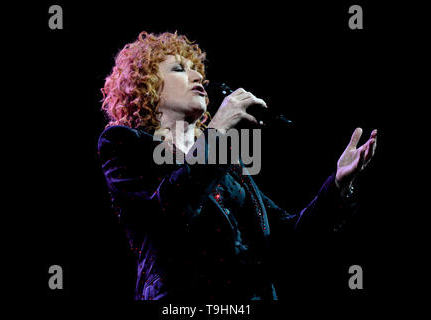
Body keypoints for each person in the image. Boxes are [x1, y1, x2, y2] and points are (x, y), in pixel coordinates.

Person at [98, 31, 377, 300]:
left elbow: (286, 239)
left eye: (197, 70)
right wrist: (218, 129)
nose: (199, 77)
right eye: (180, 69)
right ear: (147, 84)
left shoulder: (227, 163)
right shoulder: (122, 144)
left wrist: (338, 186)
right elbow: (168, 213)